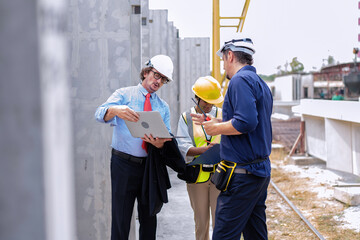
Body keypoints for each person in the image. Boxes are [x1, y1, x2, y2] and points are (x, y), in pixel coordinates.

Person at [191, 37, 273, 240]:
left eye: (223, 59)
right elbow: (250, 120)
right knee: (256, 234)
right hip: (258, 173)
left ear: (230, 55)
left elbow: (245, 123)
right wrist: (213, 120)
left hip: (242, 177)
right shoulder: (259, 83)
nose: (224, 66)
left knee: (224, 235)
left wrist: (216, 128)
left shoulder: (239, 81)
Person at [95, 55, 174, 240]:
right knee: (121, 218)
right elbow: (99, 114)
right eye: (156, 75)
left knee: (149, 219)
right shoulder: (124, 95)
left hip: (149, 168)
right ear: (146, 72)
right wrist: (116, 110)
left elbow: (167, 138)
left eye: (163, 79)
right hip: (123, 164)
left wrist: (159, 142)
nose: (158, 81)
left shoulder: (163, 107)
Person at [176, 76, 224, 240]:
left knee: (221, 223)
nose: (209, 105)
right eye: (205, 101)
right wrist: (202, 151)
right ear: (197, 98)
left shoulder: (222, 115)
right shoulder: (186, 118)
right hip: (197, 177)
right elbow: (182, 146)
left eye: (212, 102)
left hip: (220, 176)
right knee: (201, 223)